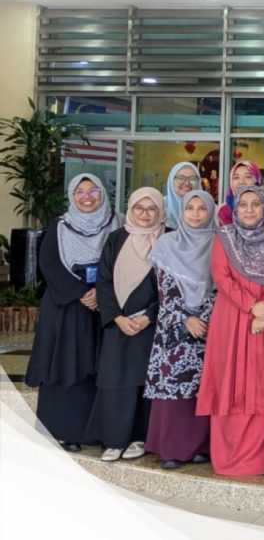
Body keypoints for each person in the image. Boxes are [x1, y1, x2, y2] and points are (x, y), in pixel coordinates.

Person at [196, 186, 264, 476]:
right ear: (234, 210)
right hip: (232, 318)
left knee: (263, 381)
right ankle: (228, 455)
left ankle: (258, 458)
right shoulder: (224, 237)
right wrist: (252, 306)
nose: (249, 210)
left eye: (255, 204)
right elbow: (221, 278)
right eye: (243, 205)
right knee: (229, 379)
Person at [26, 174, 121, 452]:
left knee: (101, 367)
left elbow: (127, 262)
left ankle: (97, 432)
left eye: (93, 191)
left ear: (103, 193)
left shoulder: (119, 223)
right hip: (66, 309)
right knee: (66, 363)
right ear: (71, 195)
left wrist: (101, 292)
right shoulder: (59, 226)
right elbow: (49, 264)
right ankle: (64, 431)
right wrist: (81, 292)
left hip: (106, 308)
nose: (87, 197)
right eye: (80, 191)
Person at [87, 187, 167, 462]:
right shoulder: (116, 239)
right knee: (115, 379)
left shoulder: (168, 239)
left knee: (145, 381)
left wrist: (149, 316)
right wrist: (117, 317)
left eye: (152, 208)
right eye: (138, 208)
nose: (145, 214)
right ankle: (114, 439)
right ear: (130, 210)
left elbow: (172, 285)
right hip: (118, 323)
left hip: (151, 324)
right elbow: (103, 281)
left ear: (160, 211)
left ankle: (140, 437)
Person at [144, 190, 216, 468]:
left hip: (209, 328)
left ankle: (200, 447)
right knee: (174, 387)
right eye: (190, 208)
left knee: (202, 387)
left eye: (202, 208)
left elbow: (222, 283)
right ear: (181, 212)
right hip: (174, 327)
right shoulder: (166, 244)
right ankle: (172, 449)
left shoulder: (219, 243)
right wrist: (186, 319)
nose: (196, 214)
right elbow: (165, 290)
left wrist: (204, 317)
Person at [216, 160, 264, 226]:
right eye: (236, 177)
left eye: (248, 177)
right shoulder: (223, 211)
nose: (241, 182)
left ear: (257, 180)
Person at [163, 162, 201, 230]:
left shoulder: (208, 207)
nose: (187, 183)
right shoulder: (159, 206)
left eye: (192, 179)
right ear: (171, 180)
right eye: (181, 178)